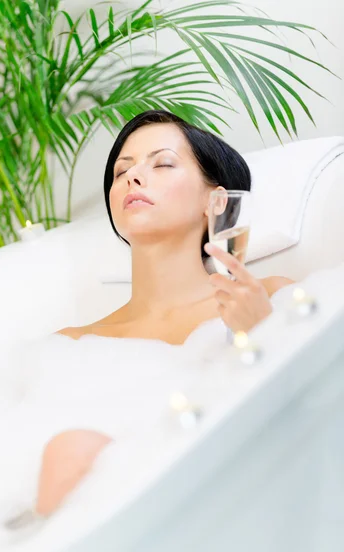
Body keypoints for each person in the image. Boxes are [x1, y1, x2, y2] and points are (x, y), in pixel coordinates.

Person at [32, 110, 294, 519]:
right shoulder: (68, 347)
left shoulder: (271, 299)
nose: (133, 178)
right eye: (122, 171)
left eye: (163, 163)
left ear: (217, 202)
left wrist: (261, 336)